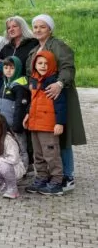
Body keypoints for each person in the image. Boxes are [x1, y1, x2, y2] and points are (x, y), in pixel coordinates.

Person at [26, 14, 85, 193]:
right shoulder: (34, 49)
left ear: (50, 29)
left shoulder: (58, 46)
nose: (38, 30)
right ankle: (46, 176)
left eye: (42, 27)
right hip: (40, 100)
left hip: (59, 96)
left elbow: (68, 68)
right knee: (43, 141)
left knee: (62, 136)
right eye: (35, 27)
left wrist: (59, 84)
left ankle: (67, 175)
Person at [24, 51, 66, 196]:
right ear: (34, 64)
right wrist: (28, 116)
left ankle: (56, 181)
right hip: (34, 124)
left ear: (52, 65)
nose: (43, 66)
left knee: (51, 154)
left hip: (48, 126)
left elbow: (60, 104)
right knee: (38, 154)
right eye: (40, 63)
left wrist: (59, 123)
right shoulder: (34, 80)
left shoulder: (53, 83)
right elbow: (33, 102)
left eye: (46, 63)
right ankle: (41, 177)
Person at [0, 56, 30, 169]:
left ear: (17, 69)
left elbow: (20, 107)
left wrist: (17, 125)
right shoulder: (5, 83)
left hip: (15, 125)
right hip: (5, 124)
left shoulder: (19, 86)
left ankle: (24, 169)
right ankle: (12, 169)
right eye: (5, 67)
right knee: (8, 148)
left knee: (21, 148)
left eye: (11, 68)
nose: (8, 70)